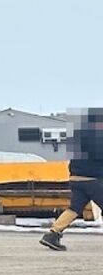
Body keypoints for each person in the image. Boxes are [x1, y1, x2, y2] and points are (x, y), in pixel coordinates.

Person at [42, 107, 103, 251]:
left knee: (74, 209)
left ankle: (52, 234)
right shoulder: (97, 138)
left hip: (76, 178)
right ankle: (52, 235)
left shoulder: (81, 137)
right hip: (91, 179)